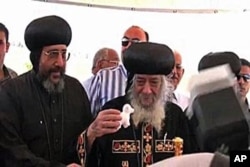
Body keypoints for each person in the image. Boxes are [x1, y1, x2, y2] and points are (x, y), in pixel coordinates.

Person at [0, 15, 123, 167]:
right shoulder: (11, 93)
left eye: (64, 54)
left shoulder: (76, 90)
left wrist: (91, 133)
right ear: (36, 57)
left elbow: (83, 146)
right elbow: (11, 153)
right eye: (52, 54)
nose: (60, 62)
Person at [86, 42, 198, 167]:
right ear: (132, 83)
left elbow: (192, 160)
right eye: (140, 81)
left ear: (163, 85)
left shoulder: (176, 116)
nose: (146, 90)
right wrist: (91, 134)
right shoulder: (112, 111)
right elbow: (90, 159)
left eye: (154, 82)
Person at [89, 25, 148, 116]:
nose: (128, 46)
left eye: (136, 42)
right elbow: (89, 117)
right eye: (125, 42)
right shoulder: (103, 77)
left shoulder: (153, 81)